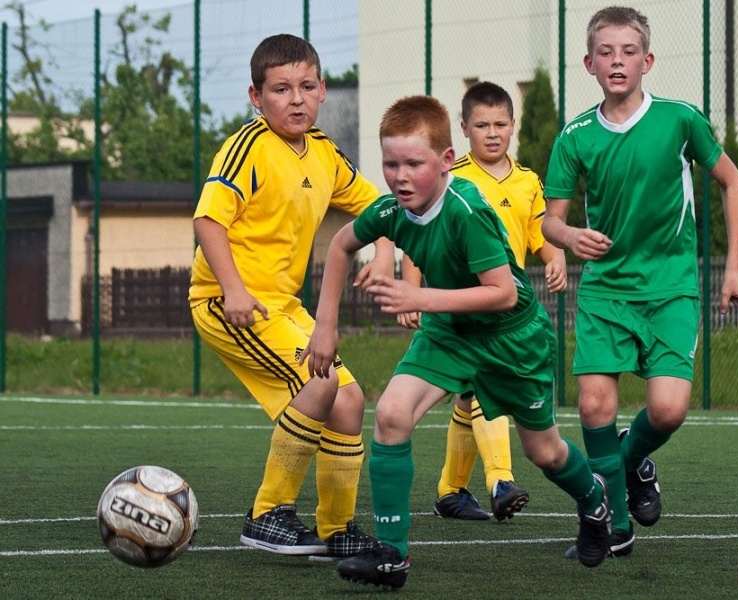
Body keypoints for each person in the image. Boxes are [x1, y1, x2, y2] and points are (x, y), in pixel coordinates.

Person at [302, 95, 612, 589]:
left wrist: (419, 297)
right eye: (391, 164)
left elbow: (503, 292)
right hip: (449, 332)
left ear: (447, 160)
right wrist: (326, 325)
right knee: (391, 413)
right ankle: (392, 555)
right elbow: (341, 246)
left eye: (414, 164)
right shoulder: (392, 209)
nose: (400, 177)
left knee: (544, 452)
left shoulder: (467, 211)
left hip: (512, 338)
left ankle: (594, 502)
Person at [541, 6, 738, 560]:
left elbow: (732, 181)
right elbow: (550, 221)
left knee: (668, 410)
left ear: (648, 61)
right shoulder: (575, 136)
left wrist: (733, 267)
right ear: (589, 63)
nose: (618, 61)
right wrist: (569, 236)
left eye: (629, 52)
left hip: (671, 287)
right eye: (606, 52)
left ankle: (632, 459)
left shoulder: (680, 120)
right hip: (606, 291)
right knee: (593, 406)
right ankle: (615, 526)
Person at [188, 33, 394, 560]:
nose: (296, 99)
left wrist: (386, 252)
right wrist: (234, 290)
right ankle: (267, 514)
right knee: (319, 383)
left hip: (283, 308)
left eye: (306, 86)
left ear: (323, 89)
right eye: (280, 89)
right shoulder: (247, 147)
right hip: (228, 304)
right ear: (256, 97)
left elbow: (379, 207)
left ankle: (337, 529)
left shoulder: (324, 152)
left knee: (349, 398)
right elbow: (208, 220)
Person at [401, 82, 567, 522]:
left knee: (469, 399)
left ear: (513, 125)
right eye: (481, 125)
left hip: (504, 313)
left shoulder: (528, 181)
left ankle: (450, 491)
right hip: (458, 310)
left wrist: (556, 259)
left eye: (499, 124)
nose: (492, 133)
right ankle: (501, 481)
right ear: (463, 129)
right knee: (479, 386)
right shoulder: (451, 178)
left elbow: (540, 234)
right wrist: (411, 291)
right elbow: (418, 234)